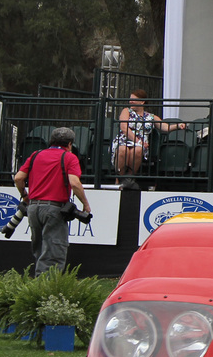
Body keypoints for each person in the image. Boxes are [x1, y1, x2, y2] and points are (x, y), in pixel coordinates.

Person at [13, 126, 92, 274]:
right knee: (54, 252)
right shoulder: (69, 157)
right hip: (54, 208)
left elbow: (18, 178)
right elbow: (75, 183)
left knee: (40, 249)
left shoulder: (36, 155)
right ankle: (46, 289)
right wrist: (85, 204)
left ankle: (36, 286)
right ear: (69, 144)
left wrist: (24, 195)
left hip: (33, 208)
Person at [110, 89, 185, 189]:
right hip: (125, 139)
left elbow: (165, 128)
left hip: (141, 144)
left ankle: (130, 177)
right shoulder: (126, 111)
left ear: (142, 102)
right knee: (123, 150)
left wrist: (178, 126)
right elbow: (124, 127)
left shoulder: (150, 116)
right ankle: (120, 178)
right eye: (130, 99)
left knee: (138, 150)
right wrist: (137, 141)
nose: (130, 101)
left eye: (133, 99)